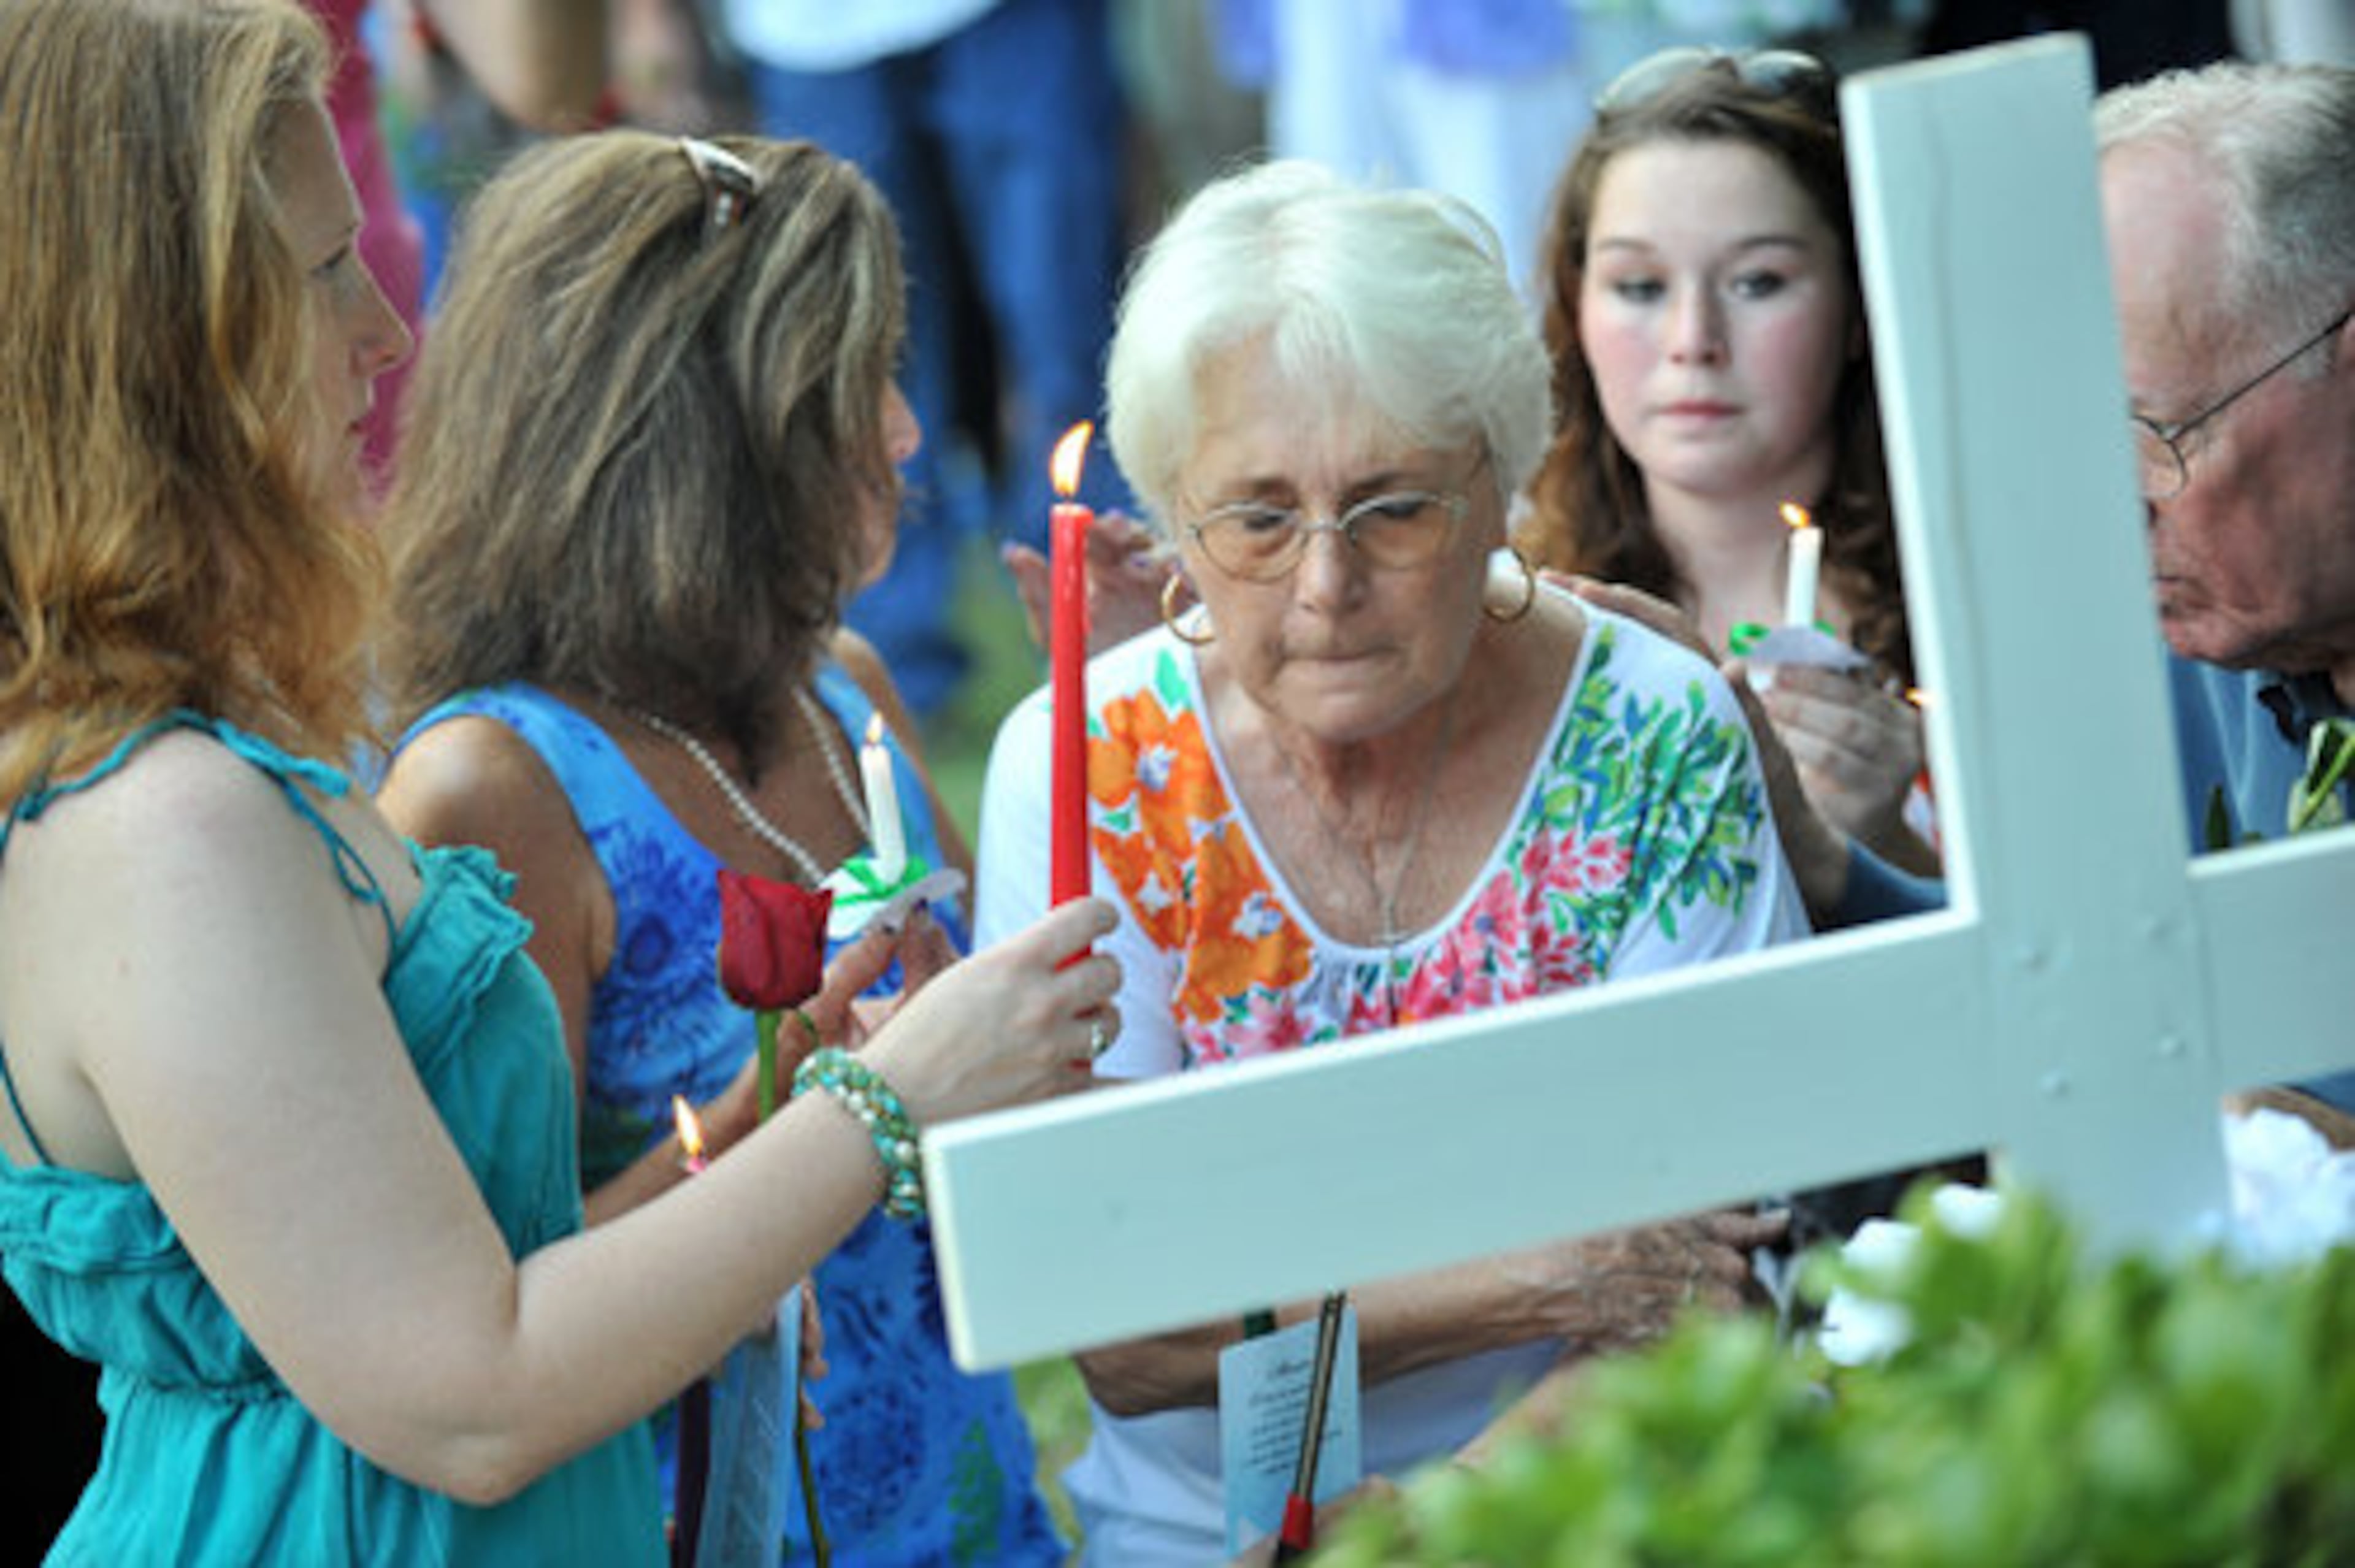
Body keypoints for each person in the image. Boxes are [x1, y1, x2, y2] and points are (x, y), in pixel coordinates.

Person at [0, 4, 1117, 1563]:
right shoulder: (167, 820)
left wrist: (768, 1104)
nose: (390, 337)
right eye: (326, 273)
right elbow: (473, 1395)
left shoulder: (222, 748)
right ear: (151, 337)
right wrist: (888, 1095)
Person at [974, 158, 1800, 1566]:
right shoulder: (1090, 765)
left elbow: (1716, 1273)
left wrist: (1438, 1517)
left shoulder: (1652, 735)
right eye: (1254, 514)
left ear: (1498, 486)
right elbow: (1118, 1327)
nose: (1322, 585)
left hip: (1608, 1496)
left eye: (1391, 507)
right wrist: (1544, 1275)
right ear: (1174, 520)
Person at [370, 131, 1068, 1561]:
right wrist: (816, 1110)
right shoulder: (491, 789)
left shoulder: (838, 691)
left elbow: (1023, 1098)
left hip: (961, 1488)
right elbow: (475, 1325)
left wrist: (1111, 736)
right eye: (852, 386)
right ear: (698, 436)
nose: (903, 429)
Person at [1759, 60, 2355, 1115]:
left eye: (2152, 433)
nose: (2110, 505)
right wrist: (1826, 862)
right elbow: (2078, 1000)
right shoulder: (2180, 642)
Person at [1518, 46, 1940, 882]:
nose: (1692, 342)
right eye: (1639, 287)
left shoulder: (1969, 604)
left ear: (1860, 306)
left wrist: (1881, 847)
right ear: (1576, 307)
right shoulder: (1515, 621)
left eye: (1757, 281)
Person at [715, 0, 1132, 722]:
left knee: (1067, 329)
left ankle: (1110, 636)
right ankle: (894, 680)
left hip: (1012, 20)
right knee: (858, 357)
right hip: (806, 31)